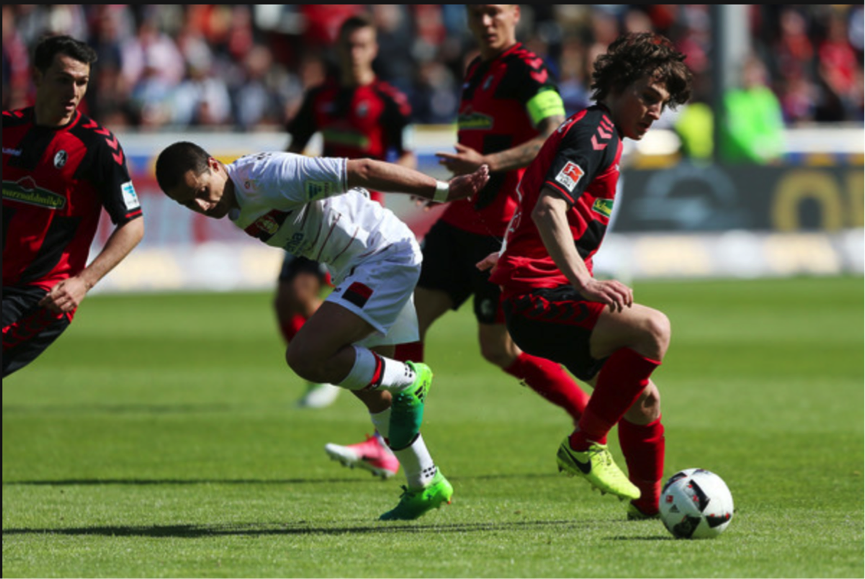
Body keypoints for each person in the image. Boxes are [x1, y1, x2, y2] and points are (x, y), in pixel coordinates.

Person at [154, 141, 489, 520]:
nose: (202, 205)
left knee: (306, 355)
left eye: (201, 192)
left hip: (382, 255)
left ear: (215, 166)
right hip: (355, 266)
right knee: (372, 393)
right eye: (188, 203)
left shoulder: (268, 177)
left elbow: (361, 169)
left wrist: (443, 190)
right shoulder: (233, 202)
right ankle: (425, 482)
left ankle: (410, 378)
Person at [326, 4, 592, 477]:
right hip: (460, 222)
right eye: (476, 13)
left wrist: (489, 163)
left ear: (514, 13)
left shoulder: (527, 70)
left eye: (494, 12)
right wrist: (459, 186)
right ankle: (392, 444)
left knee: (499, 349)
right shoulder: (477, 69)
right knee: (403, 321)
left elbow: (555, 136)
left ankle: (587, 418)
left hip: (499, 233)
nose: (485, 22)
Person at [484, 31, 693, 519]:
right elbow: (548, 207)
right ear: (618, 84)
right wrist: (582, 281)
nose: (654, 112)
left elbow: (536, 200)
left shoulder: (601, 134)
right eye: (647, 97)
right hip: (539, 301)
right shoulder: (594, 132)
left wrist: (509, 253)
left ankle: (647, 506)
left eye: (662, 105)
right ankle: (584, 443)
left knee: (643, 400)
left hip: (540, 290)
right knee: (653, 328)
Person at [278, 14, 417, 415]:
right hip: (317, 209)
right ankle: (329, 364)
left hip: (359, 220)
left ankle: (335, 362)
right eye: (348, 46)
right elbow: (294, 149)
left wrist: (407, 184)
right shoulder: (319, 96)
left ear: (373, 49)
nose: (354, 53)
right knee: (285, 302)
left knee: (301, 294)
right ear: (338, 50)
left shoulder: (389, 100)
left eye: (362, 45)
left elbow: (404, 153)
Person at [3, 34, 145, 378]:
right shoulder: (7, 127)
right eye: (63, 80)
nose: (74, 92)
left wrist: (83, 282)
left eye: (81, 82)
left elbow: (133, 224)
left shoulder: (97, 146)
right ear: (37, 77)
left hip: (39, 295)